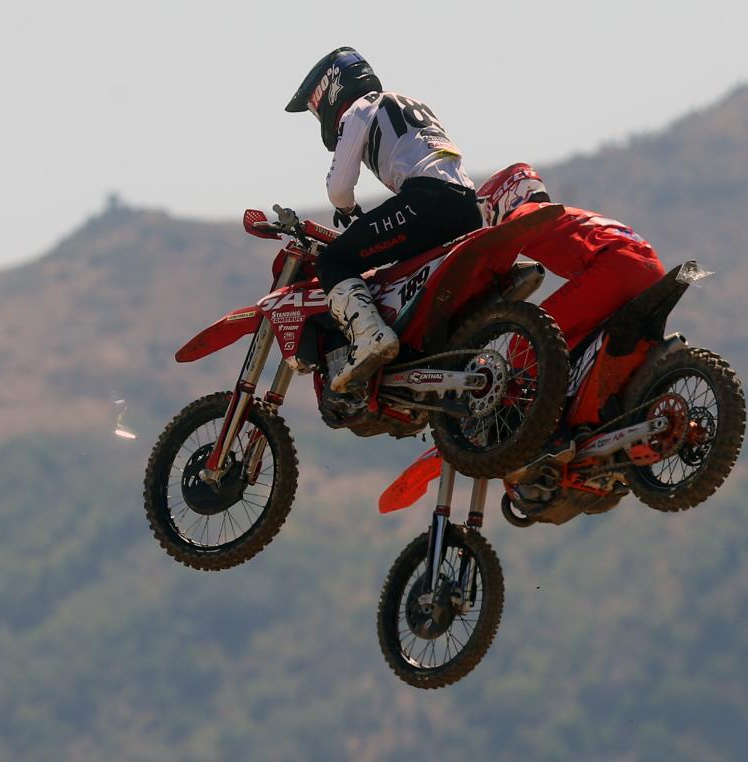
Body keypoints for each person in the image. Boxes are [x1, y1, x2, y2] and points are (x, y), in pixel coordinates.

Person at [285, 47, 481, 392]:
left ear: (331, 90)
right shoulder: (409, 101)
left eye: (317, 109)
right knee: (404, 277)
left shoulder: (359, 109)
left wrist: (347, 210)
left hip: (427, 200)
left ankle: (370, 337)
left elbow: (339, 188)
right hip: (467, 204)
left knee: (333, 261)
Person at [477, 163, 666, 480]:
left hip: (615, 266)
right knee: (575, 349)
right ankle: (601, 426)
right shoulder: (566, 214)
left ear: (505, 196)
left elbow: (490, 258)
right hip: (649, 267)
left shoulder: (524, 215)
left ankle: (552, 435)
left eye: (488, 208)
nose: (489, 216)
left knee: (526, 341)